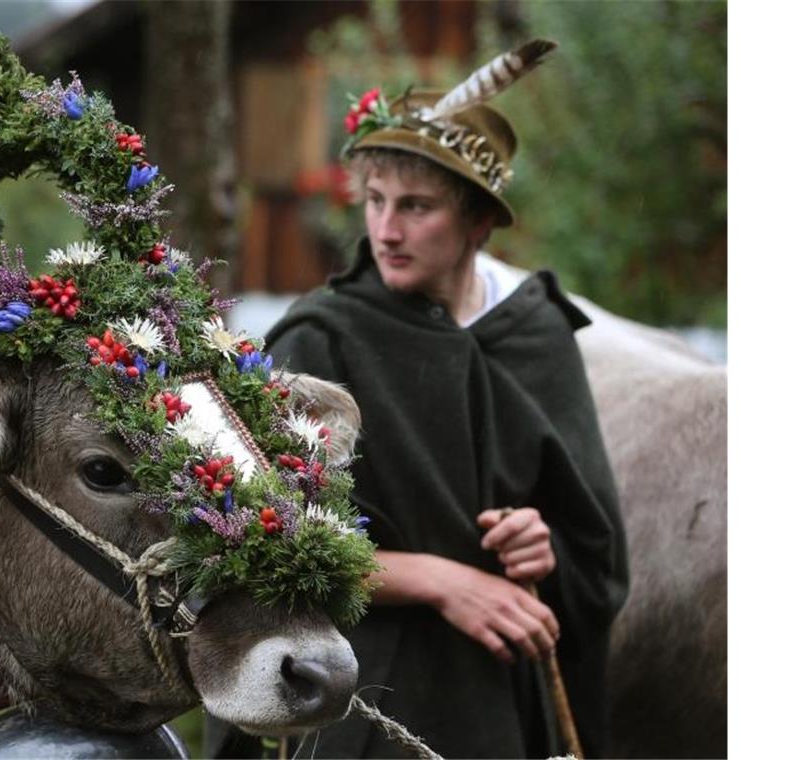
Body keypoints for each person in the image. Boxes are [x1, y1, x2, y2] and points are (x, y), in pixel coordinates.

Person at [207, 42, 628, 760]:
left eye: (417, 206)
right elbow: (261, 543)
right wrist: (439, 580)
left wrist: (542, 544)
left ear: (478, 222)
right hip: (359, 703)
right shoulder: (320, 338)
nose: (387, 230)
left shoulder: (539, 334)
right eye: (375, 201)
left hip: (504, 708)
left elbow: (596, 555)